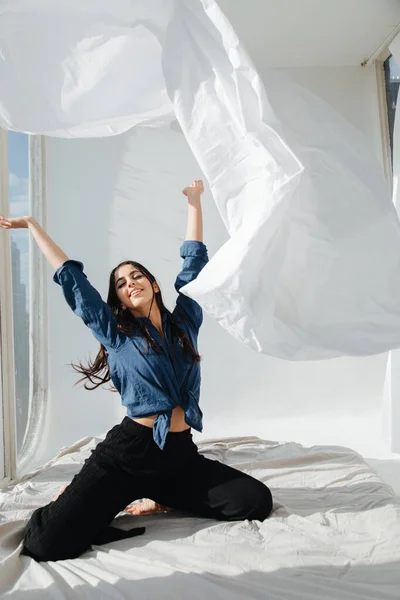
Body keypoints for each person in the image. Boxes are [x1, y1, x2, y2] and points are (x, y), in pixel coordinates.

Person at [0, 179, 273, 562]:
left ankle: (159, 497)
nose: (130, 284)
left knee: (254, 501)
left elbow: (194, 264)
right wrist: (32, 225)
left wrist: (194, 201)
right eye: (122, 284)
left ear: (154, 284)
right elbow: (73, 280)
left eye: (136, 276)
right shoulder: (116, 334)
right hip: (128, 455)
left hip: (178, 456)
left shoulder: (185, 324)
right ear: (121, 301)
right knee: (47, 544)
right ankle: (78, 498)